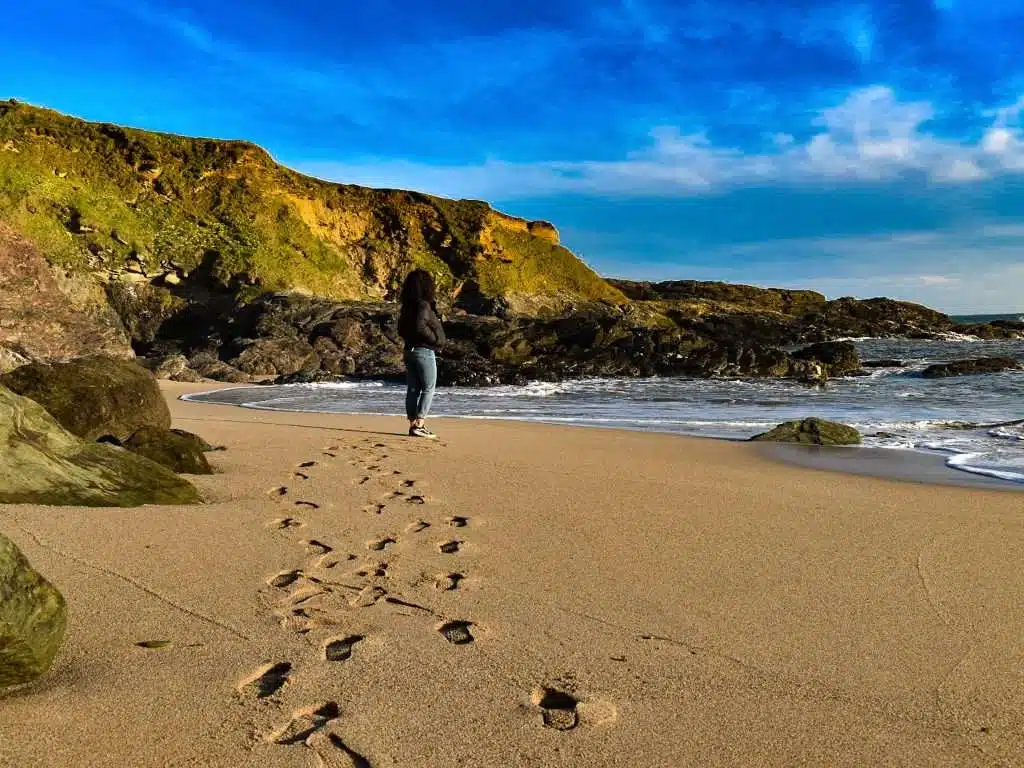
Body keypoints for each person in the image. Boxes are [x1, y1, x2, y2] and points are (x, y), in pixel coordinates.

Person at [397, 269, 446, 438]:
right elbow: (420, 327)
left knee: (412, 389)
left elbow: (401, 329)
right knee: (428, 388)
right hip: (423, 351)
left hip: (409, 350)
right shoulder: (423, 305)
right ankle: (420, 423)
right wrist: (434, 340)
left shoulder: (407, 306)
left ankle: (413, 424)